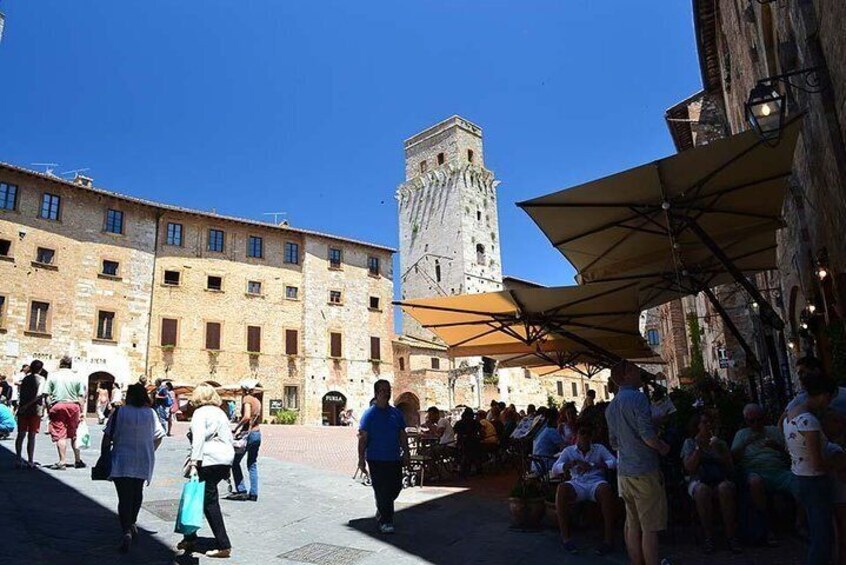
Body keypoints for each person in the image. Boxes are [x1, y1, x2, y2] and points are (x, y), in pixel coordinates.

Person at [604, 360, 670, 565]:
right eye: (634, 370)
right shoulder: (639, 399)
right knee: (649, 527)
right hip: (644, 468)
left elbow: (613, 443)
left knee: (632, 524)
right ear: (625, 375)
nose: (639, 372)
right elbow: (647, 436)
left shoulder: (611, 407)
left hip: (624, 471)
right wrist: (662, 447)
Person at [783, 366, 838, 565]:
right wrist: (836, 464)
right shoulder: (809, 421)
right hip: (814, 481)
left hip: (799, 477)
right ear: (824, 395)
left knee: (818, 533)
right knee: (823, 537)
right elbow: (817, 462)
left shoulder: (792, 414)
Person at [103, 383, 165, 553]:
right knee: (137, 493)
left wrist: (104, 454)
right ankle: (132, 522)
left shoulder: (120, 412)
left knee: (124, 497)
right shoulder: (151, 413)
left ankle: (126, 531)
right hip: (143, 458)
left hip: (122, 457)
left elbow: (108, 435)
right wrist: (151, 449)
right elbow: (160, 435)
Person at [178, 383, 235, 559]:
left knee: (209, 501)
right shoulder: (221, 412)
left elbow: (198, 439)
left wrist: (194, 462)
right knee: (199, 497)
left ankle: (223, 544)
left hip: (209, 459)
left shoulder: (200, 413)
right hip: (225, 459)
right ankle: (189, 538)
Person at [731, 403, 793, 543]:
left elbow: (790, 455)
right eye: (751, 421)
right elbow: (733, 459)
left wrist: (777, 448)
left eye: (759, 420)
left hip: (779, 470)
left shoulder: (774, 431)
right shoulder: (742, 434)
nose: (756, 424)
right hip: (755, 470)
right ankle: (766, 525)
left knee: (801, 481)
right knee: (755, 482)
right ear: (746, 421)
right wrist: (745, 443)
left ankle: (800, 523)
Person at [552, 424, 617, 556]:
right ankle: (566, 538)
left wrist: (594, 465)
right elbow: (554, 469)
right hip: (577, 483)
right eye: (582, 433)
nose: (585, 436)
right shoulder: (569, 451)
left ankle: (608, 540)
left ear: (591, 437)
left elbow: (614, 462)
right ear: (576, 436)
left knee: (606, 491)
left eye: (587, 433)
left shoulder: (599, 449)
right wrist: (571, 464)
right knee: (562, 490)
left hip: (595, 482)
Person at [681, 412, 740, 554]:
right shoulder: (690, 443)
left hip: (719, 478)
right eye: (704, 422)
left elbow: (730, 468)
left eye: (710, 422)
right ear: (697, 426)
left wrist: (718, 451)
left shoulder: (719, 443)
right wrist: (698, 449)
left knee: (725, 488)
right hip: (698, 479)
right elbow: (689, 468)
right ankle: (709, 537)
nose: (708, 425)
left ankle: (731, 536)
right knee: (702, 491)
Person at [357, 379, 409, 534]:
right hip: (376, 458)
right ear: (376, 393)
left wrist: (406, 453)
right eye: (383, 390)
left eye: (388, 390)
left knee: (395, 487)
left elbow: (402, 435)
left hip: (394, 457)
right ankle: (386, 521)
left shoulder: (396, 413)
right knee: (381, 490)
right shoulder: (369, 415)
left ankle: (382, 509)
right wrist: (361, 459)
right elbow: (363, 437)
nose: (387, 393)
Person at [45, 356, 86, 470]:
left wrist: (49, 409)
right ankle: (77, 460)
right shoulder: (76, 377)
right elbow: (81, 396)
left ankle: (62, 461)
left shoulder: (53, 375)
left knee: (60, 434)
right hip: (74, 405)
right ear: (70, 365)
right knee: (74, 434)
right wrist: (82, 411)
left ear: (60, 364)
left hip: (58, 405)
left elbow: (47, 395)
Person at [227, 382, 262, 502]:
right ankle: (254, 492)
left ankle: (241, 490)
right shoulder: (257, 400)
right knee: (252, 463)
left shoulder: (246, 399)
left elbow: (247, 416)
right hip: (257, 433)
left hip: (249, 434)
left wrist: (237, 428)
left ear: (244, 389)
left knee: (235, 462)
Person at [15, 360, 45, 468]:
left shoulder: (25, 378)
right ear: (40, 369)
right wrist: (29, 405)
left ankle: (18, 458)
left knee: (21, 434)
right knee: (31, 436)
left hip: (22, 409)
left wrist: (23, 406)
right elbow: (39, 394)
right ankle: (30, 460)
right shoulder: (41, 379)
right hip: (34, 410)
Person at [454, 407, 482, 476]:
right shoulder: (476, 422)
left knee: (462, 455)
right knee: (475, 455)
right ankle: (477, 468)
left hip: (462, 443)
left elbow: (454, 432)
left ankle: (461, 469)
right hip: (474, 442)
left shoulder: (459, 423)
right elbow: (481, 432)